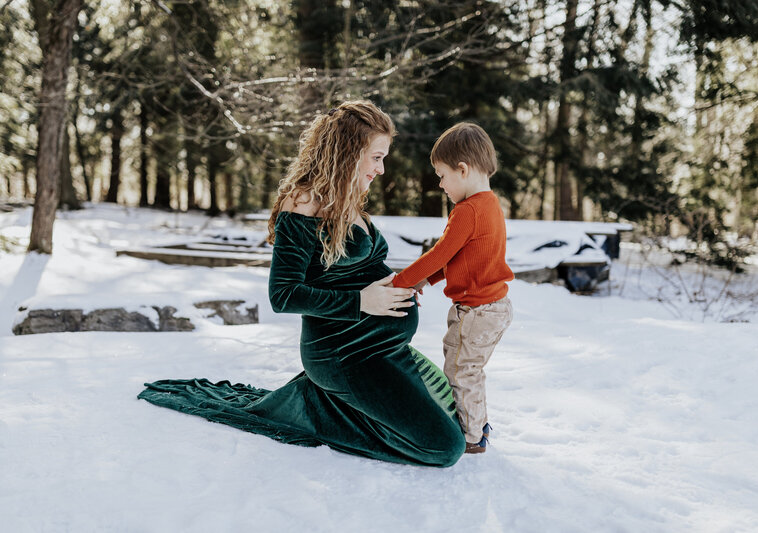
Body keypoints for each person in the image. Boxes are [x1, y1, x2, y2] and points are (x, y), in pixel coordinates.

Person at [138, 100, 465, 467]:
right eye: (376, 157)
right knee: (444, 448)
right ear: (350, 150)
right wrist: (361, 302)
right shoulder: (304, 203)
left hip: (382, 349)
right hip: (345, 355)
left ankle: (338, 400)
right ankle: (318, 408)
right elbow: (283, 295)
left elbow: (356, 267)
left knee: (455, 426)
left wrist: (396, 281)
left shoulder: (349, 201)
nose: (381, 168)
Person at [392, 122, 514, 454]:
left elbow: (440, 254)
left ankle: (471, 436)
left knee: (460, 370)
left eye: (442, 175)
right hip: (494, 306)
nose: (440, 184)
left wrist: (399, 282)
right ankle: (477, 421)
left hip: (476, 310)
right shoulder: (490, 205)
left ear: (463, 170)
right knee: (468, 367)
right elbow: (461, 259)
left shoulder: (467, 211)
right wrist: (425, 280)